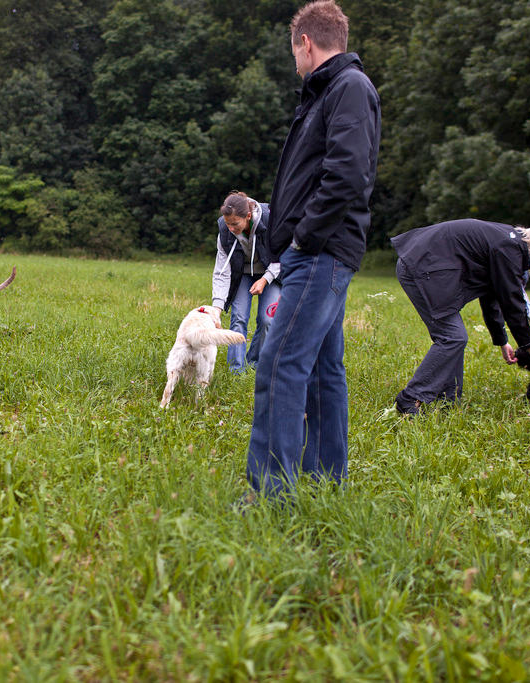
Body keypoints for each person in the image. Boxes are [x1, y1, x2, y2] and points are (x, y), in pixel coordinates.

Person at [244, 0, 380, 500]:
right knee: (323, 369)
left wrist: (304, 236)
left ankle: (269, 494)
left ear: (305, 42)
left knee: (278, 363)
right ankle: (325, 479)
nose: (295, 63)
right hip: (320, 249)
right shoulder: (328, 92)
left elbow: (347, 174)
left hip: (320, 252)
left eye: (293, 52)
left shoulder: (347, 88)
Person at [390, 219, 530, 414]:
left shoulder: (507, 243)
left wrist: (502, 340)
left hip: (422, 264)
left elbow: (492, 298)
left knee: (454, 338)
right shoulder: (509, 250)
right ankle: (410, 399)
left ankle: (448, 400)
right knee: (452, 337)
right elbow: (512, 304)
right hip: (420, 268)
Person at [211, 192, 281, 373]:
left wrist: (265, 279)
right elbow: (221, 271)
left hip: (271, 274)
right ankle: (236, 370)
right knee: (239, 318)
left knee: (267, 320)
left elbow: (283, 256)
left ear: (248, 216)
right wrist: (216, 308)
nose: (231, 228)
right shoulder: (225, 231)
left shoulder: (270, 220)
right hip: (242, 275)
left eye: (235, 224)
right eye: (227, 223)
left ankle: (255, 363)